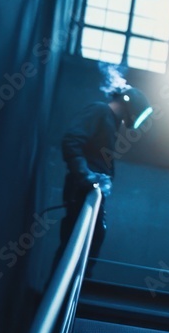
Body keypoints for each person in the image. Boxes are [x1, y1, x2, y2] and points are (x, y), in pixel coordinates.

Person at [54, 86, 152, 277]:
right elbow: (71, 141)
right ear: (127, 103)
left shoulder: (111, 122)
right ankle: (63, 284)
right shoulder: (99, 110)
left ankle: (74, 282)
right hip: (82, 189)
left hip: (90, 191)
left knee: (91, 237)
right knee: (78, 240)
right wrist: (85, 175)